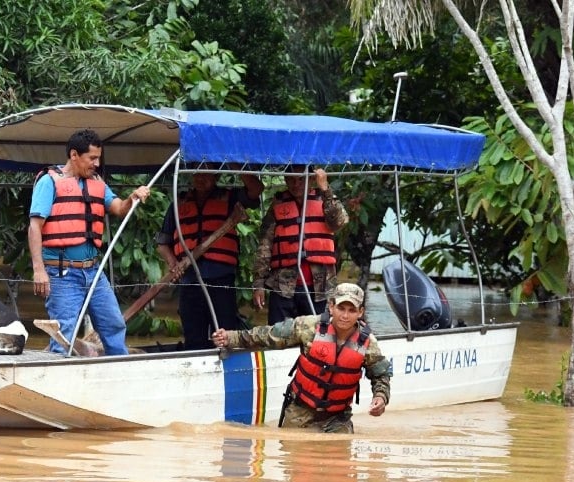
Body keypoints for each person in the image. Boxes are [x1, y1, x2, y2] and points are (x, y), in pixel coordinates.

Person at [28, 128, 151, 356]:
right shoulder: (49, 181)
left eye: (98, 158)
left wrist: (133, 197)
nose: (96, 163)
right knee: (63, 333)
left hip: (93, 270)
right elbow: (35, 226)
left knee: (113, 323)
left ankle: (120, 368)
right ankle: (59, 380)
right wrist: (39, 270)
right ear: (74, 155)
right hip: (61, 272)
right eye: (92, 158)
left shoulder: (97, 183)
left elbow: (118, 208)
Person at [210, 283, 390, 433]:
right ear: (331, 306)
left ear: (360, 312)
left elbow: (381, 374)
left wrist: (380, 398)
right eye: (341, 308)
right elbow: (268, 335)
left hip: (338, 419)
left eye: (351, 310)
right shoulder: (308, 326)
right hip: (299, 411)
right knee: (295, 466)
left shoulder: (368, 343)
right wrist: (231, 337)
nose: (345, 315)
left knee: (340, 469)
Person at [155, 164, 263, 350]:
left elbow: (256, 189)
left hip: (221, 280)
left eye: (207, 173)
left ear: (216, 175)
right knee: (193, 335)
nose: (200, 177)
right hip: (189, 281)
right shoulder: (178, 203)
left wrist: (235, 164)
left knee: (225, 334)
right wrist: (174, 264)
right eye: (197, 172)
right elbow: (162, 243)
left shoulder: (230, 198)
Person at [253, 167, 349, 324]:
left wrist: (326, 189)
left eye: (300, 179)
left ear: (311, 179)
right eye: (291, 179)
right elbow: (265, 245)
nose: (295, 184)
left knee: (319, 337)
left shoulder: (325, 200)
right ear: (285, 179)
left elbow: (340, 221)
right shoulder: (278, 204)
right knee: (278, 336)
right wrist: (258, 284)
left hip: (320, 287)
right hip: (282, 287)